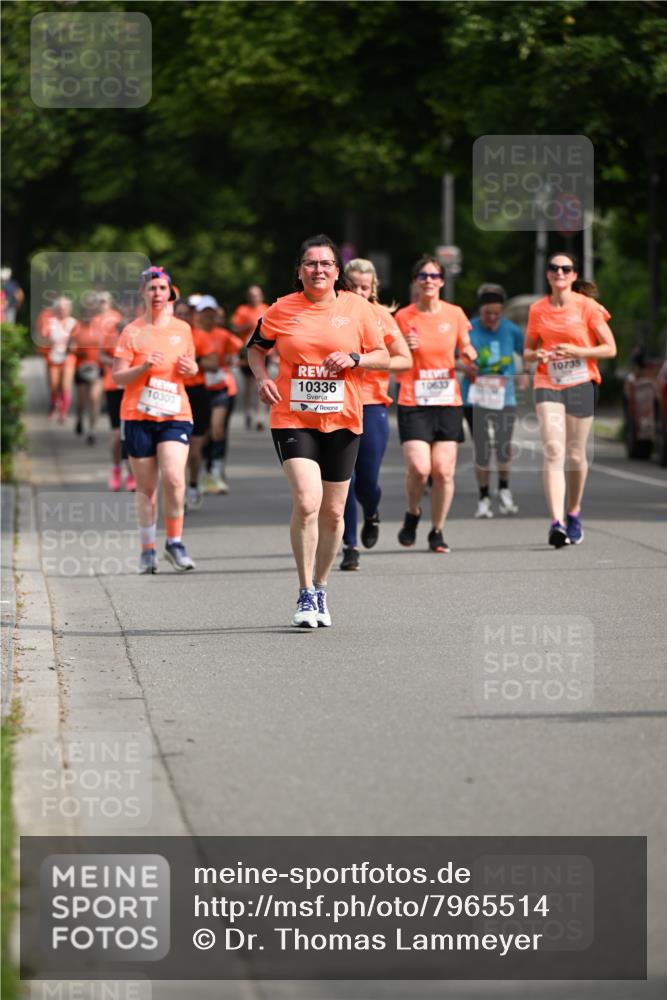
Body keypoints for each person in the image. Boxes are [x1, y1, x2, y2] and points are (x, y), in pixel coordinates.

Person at [247, 234, 389, 627]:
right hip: (292, 416)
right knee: (308, 501)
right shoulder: (282, 309)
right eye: (311, 263)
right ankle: (305, 591)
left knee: (332, 511)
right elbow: (256, 348)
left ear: (337, 271)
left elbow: (382, 355)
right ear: (299, 271)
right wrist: (261, 378)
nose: (319, 270)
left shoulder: (357, 308)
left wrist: (355, 357)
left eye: (326, 264)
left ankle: (322, 586)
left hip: (342, 418)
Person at [524, 253, 616, 548]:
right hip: (547, 381)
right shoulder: (537, 309)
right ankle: (556, 524)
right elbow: (527, 351)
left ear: (574, 275)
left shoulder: (587, 307)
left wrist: (580, 353)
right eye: (554, 268)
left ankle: (573, 511)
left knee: (575, 454)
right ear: (548, 275)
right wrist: (535, 355)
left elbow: (610, 348)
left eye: (566, 268)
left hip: (581, 382)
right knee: (553, 449)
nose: (559, 272)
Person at [112, 266, 199, 573]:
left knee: (175, 478)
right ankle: (147, 549)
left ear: (170, 293)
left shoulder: (183, 329)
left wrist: (192, 370)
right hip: (138, 414)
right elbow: (118, 376)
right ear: (143, 294)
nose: (157, 294)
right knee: (147, 488)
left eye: (162, 288)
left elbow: (191, 368)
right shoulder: (131, 331)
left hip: (175, 413)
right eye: (152, 289)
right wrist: (143, 367)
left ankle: (174, 542)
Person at [394, 256, 477, 553]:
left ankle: (437, 530)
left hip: (447, 399)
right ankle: (413, 512)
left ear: (441, 281)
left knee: (442, 471)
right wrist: (404, 345)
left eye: (434, 275)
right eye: (423, 275)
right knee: (419, 468)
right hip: (413, 399)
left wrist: (470, 355)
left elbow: (465, 344)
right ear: (416, 281)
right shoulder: (403, 317)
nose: (429, 280)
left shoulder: (454, 314)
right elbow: (391, 358)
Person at [339, 258, 411, 571]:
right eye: (352, 285)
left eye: (364, 287)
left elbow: (404, 360)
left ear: (373, 288)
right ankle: (349, 545)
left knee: (367, 481)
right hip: (337, 405)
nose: (357, 291)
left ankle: (371, 511)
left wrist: (364, 361)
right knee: (344, 480)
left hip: (371, 404)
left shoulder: (381, 316)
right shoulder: (333, 313)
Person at [460, 283, 526, 518]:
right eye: (488, 313)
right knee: (482, 449)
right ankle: (484, 497)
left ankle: (504, 490)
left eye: (497, 313)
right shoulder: (469, 328)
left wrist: (525, 374)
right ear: (481, 311)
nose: (492, 318)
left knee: (503, 447)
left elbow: (525, 352)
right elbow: (452, 357)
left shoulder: (511, 330)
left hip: (503, 396)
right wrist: (465, 367)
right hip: (475, 397)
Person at [182, 296, 218, 509]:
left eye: (187, 314)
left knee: (194, 452)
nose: (184, 317)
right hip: (174, 394)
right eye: (180, 314)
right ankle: (179, 490)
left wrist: (193, 362)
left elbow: (213, 363)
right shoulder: (164, 336)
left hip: (196, 394)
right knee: (176, 450)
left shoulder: (200, 336)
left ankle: (193, 484)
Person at [96, 292, 134, 491]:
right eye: (125, 306)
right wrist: (118, 363)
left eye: (132, 306)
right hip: (114, 386)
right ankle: (116, 469)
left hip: (133, 386)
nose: (128, 310)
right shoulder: (111, 331)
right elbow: (101, 356)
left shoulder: (140, 331)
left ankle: (132, 473)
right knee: (116, 432)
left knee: (132, 432)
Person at [203, 312, 244, 495]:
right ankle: (204, 471)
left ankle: (217, 471)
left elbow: (239, 348)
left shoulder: (224, 335)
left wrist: (231, 358)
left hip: (223, 387)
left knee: (218, 430)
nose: (212, 318)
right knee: (203, 434)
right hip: (200, 388)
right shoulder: (192, 334)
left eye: (216, 315)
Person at [232, 285, 269, 430]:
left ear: (261, 296)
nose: (255, 298)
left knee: (262, 382)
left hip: (265, 350)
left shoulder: (266, 309)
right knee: (249, 385)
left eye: (257, 295)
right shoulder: (242, 310)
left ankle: (260, 416)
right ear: (248, 297)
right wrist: (246, 326)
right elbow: (234, 327)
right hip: (247, 350)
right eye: (252, 295)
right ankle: (248, 411)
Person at [70, 295, 105, 444]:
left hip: (97, 367)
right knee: (81, 401)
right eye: (85, 313)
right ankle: (79, 419)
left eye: (91, 313)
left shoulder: (101, 327)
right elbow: (70, 347)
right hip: (81, 367)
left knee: (94, 398)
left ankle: (92, 430)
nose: (88, 316)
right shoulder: (76, 327)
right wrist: (76, 351)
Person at [36, 296, 76, 422]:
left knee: (65, 385)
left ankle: (63, 413)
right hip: (52, 357)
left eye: (65, 308)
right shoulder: (49, 322)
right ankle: (54, 405)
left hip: (68, 357)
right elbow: (41, 339)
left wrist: (73, 346)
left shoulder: (73, 323)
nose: (62, 311)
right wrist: (49, 342)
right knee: (54, 385)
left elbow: (77, 341)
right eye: (60, 308)